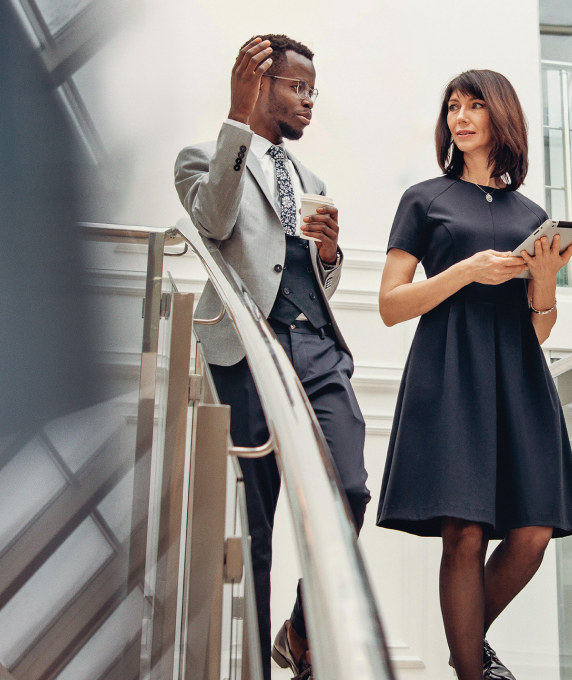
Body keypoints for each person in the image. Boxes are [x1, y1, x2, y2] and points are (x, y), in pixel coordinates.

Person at [375, 69, 572, 680]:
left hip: (519, 375)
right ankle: (472, 670)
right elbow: (391, 305)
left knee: (533, 533)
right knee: (464, 531)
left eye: (474, 106)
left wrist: (544, 280)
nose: (461, 117)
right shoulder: (425, 198)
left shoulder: (532, 213)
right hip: (449, 370)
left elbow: (539, 329)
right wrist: (465, 270)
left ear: (503, 117)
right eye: (452, 107)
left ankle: (462, 648)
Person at [173, 34, 367, 679]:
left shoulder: (311, 180)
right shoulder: (202, 156)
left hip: (315, 346)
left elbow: (314, 280)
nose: (310, 103)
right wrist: (234, 117)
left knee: (350, 490)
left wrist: (331, 256)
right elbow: (215, 220)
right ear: (259, 84)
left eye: (314, 91)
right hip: (246, 346)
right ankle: (255, 666)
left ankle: (302, 632)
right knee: (252, 524)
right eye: (298, 88)